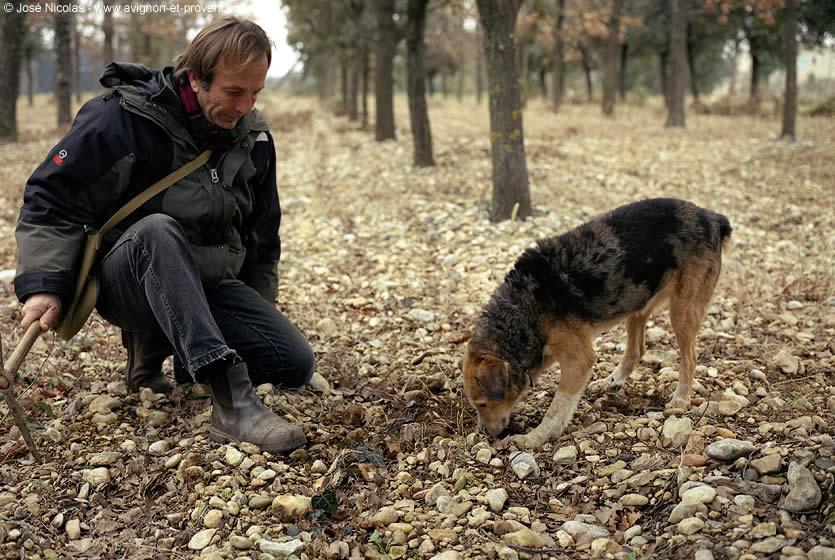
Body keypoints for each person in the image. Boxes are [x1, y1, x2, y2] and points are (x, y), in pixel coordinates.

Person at [13, 17, 314, 453]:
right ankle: (231, 401)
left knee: (293, 363)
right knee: (157, 231)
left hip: (208, 282)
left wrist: (254, 315)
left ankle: (189, 347)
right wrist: (44, 285)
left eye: (256, 92)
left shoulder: (254, 138)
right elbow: (50, 198)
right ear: (195, 77)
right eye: (234, 92)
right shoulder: (120, 118)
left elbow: (262, 237)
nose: (247, 105)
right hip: (129, 280)